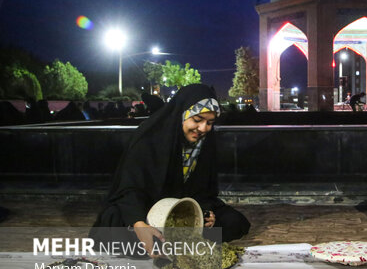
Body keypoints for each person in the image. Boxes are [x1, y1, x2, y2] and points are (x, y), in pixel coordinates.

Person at [89, 84, 250, 257]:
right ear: (182, 114)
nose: (203, 129)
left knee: (234, 222)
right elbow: (129, 188)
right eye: (197, 120)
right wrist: (139, 223)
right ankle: (171, 242)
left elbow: (204, 191)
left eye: (209, 123)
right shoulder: (149, 139)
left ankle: (172, 242)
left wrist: (205, 213)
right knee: (115, 227)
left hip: (184, 214)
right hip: (146, 211)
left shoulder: (205, 144)